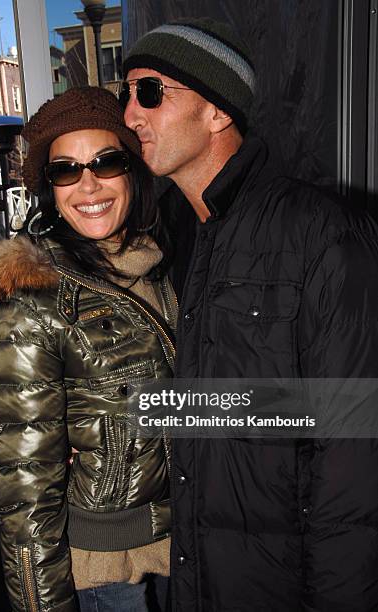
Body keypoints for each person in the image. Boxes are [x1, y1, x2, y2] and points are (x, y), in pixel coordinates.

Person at [121, 18, 378, 612]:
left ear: (217, 113)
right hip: (198, 574)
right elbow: (241, 405)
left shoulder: (321, 233)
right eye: (126, 94)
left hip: (283, 585)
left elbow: (352, 447)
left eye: (151, 92)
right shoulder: (174, 239)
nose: (132, 114)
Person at [0, 86, 176, 612]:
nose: (88, 185)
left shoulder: (162, 267)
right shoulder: (29, 300)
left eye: (106, 161)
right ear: (47, 188)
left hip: (180, 542)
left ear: (133, 171)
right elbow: (25, 494)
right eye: (65, 170)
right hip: (104, 574)